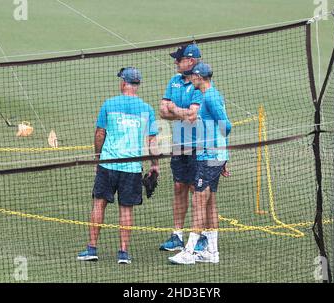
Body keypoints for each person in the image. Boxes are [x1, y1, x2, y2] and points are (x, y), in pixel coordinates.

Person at [77, 67, 159, 264]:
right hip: (132, 168)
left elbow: (99, 133)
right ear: (137, 85)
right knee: (126, 209)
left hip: (109, 164)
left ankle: (91, 248)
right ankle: (123, 252)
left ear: (123, 83)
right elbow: (153, 141)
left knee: (99, 204)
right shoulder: (147, 109)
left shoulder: (109, 104)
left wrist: (98, 158)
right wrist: (155, 165)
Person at [168, 62, 231, 265]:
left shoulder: (210, 96)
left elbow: (226, 125)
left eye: (193, 76)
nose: (191, 78)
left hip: (209, 155)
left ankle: (190, 251)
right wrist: (224, 155)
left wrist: (217, 148)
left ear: (200, 77)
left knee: (198, 200)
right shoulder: (208, 95)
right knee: (210, 201)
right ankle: (212, 252)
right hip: (214, 155)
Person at [158, 43, 208, 252]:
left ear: (190, 61)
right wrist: (181, 112)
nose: (175, 62)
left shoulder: (199, 85)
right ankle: (177, 235)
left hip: (198, 145)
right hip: (179, 144)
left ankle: (201, 236)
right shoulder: (174, 81)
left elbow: (193, 116)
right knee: (179, 187)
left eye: (178, 59)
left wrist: (174, 109)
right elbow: (162, 111)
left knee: (197, 190)